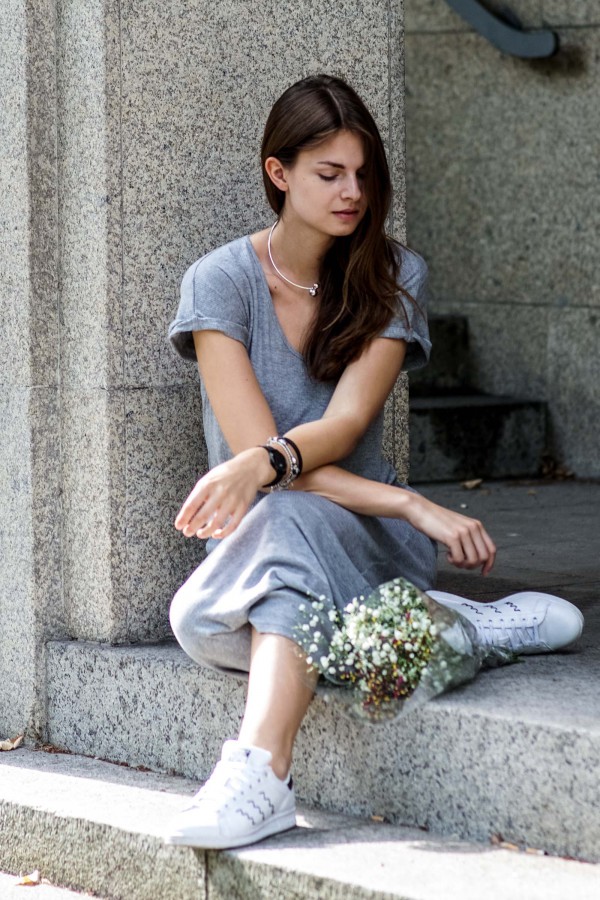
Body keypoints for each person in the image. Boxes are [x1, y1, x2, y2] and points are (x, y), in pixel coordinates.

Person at [163, 74, 583, 850]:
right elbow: (270, 459)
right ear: (278, 173)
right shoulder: (219, 283)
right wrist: (408, 500)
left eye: (364, 174)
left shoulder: (395, 276)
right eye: (329, 174)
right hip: (254, 562)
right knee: (217, 600)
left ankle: (260, 775)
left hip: (366, 539)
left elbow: (344, 423)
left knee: (284, 510)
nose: (352, 192)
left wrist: (380, 503)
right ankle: (452, 631)